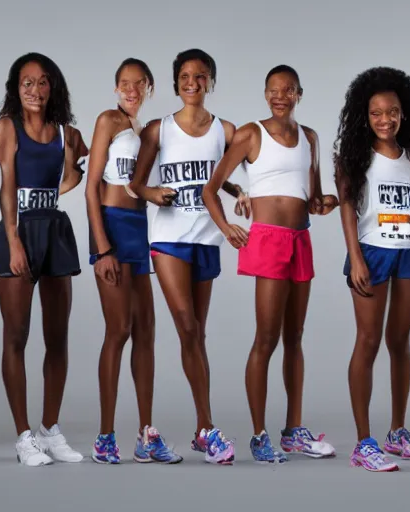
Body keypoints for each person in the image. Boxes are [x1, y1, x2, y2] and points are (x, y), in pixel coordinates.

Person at [203, 64, 338, 464]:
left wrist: (332, 201)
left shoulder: (310, 137)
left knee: (295, 337)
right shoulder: (250, 133)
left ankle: (294, 430)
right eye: (274, 90)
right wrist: (227, 228)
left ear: (299, 93)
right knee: (267, 338)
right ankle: (260, 435)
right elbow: (212, 189)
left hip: (300, 239)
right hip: (267, 239)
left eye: (289, 90)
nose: (281, 96)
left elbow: (312, 196)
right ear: (266, 94)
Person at [129, 48, 246, 465]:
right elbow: (135, 184)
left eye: (200, 75)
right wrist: (151, 193)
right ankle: (209, 427)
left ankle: (201, 429)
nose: (192, 82)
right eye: (184, 76)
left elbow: (214, 176)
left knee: (196, 333)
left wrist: (239, 191)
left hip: (206, 238)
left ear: (211, 81)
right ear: (176, 81)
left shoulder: (225, 130)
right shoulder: (159, 130)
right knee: (185, 323)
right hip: (168, 237)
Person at [0, 52, 88, 467]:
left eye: (43, 81)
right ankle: (23, 436)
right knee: (16, 336)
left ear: (54, 87)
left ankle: (50, 430)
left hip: (54, 231)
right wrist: (14, 241)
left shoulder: (66, 132)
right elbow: (7, 187)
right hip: (19, 232)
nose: (35, 89)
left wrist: (67, 182)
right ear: (17, 88)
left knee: (58, 337)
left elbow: (74, 173)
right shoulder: (7, 128)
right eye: (27, 82)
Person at [85, 58, 182, 464]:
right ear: (115, 88)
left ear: (149, 87)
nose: (130, 89)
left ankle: (146, 435)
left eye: (137, 83)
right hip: (112, 225)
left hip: (142, 230)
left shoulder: (147, 130)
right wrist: (103, 248)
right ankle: (105, 436)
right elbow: (91, 188)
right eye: (123, 83)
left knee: (146, 331)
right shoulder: (108, 120)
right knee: (118, 329)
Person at [333, 66, 410, 472]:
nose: (385, 119)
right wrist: (355, 257)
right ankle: (363, 441)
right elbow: (348, 210)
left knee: (400, 341)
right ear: (364, 115)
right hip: (371, 253)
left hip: (408, 251)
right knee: (368, 341)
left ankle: (397, 432)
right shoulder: (353, 157)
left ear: (404, 112)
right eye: (376, 113)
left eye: (391, 111)